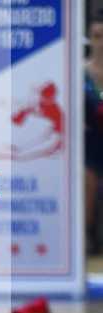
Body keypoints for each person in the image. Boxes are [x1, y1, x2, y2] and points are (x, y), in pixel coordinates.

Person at [85, 10, 103, 251]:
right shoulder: (79, 72)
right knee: (86, 177)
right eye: (96, 36)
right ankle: (86, 236)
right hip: (89, 149)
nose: (100, 43)